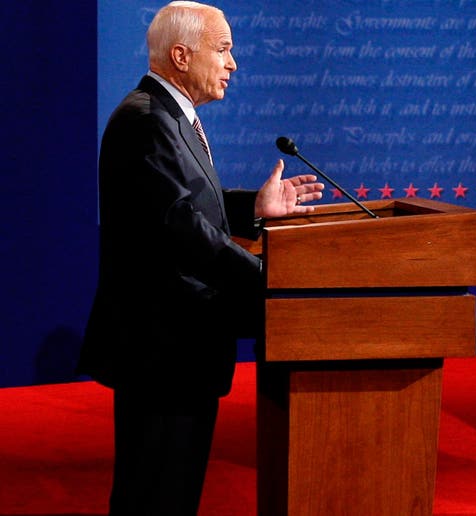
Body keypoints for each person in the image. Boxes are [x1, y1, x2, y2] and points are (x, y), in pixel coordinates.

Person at [77, 2, 324, 514]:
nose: (233, 64)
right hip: (161, 349)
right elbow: (181, 228)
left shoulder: (166, 116)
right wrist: (267, 281)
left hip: (179, 345)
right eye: (224, 49)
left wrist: (252, 207)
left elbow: (184, 204)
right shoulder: (146, 120)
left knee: (172, 490)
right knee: (155, 493)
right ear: (182, 55)